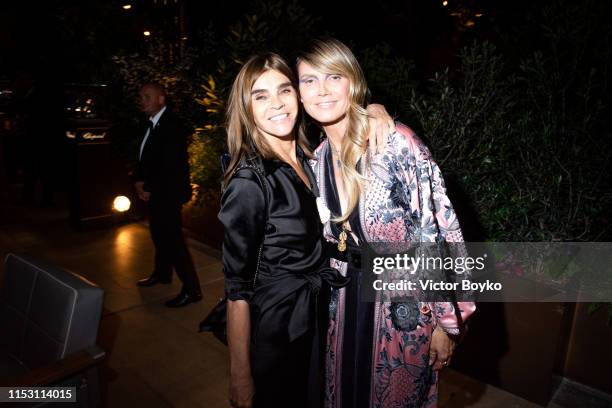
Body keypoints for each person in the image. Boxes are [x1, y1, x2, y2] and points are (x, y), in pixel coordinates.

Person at [297, 38, 477, 408]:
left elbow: (440, 232)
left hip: (404, 312)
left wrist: (446, 323)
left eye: (334, 76)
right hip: (343, 306)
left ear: (354, 82)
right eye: (308, 80)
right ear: (298, 93)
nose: (322, 90)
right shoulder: (315, 159)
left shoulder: (397, 144)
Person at [219, 53, 393, 408]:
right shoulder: (250, 181)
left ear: (298, 96)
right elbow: (237, 291)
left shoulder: (311, 157)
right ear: (245, 108)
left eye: (284, 89)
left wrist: (375, 108)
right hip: (279, 332)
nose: (277, 103)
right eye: (260, 96)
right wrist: (240, 375)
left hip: (319, 318)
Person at [134, 83, 202, 308]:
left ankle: (192, 290)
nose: (142, 100)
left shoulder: (171, 125)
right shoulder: (152, 124)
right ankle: (162, 274)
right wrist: (139, 180)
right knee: (158, 234)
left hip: (169, 192)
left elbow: (169, 165)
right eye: (141, 97)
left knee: (172, 240)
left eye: (147, 96)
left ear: (161, 99)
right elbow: (145, 157)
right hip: (156, 190)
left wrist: (148, 185)